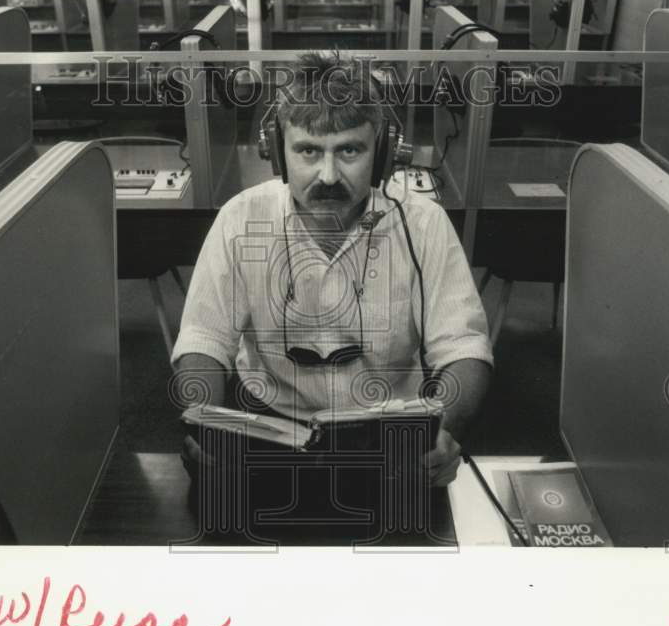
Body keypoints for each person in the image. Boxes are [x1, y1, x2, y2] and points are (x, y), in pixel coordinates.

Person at [171, 51, 492, 486]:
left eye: (349, 151)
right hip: (270, 431)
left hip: (390, 437)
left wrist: (446, 432)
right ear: (278, 154)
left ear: (381, 154)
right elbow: (204, 340)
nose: (327, 175)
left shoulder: (423, 223)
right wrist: (203, 423)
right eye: (307, 150)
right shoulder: (240, 218)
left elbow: (463, 348)